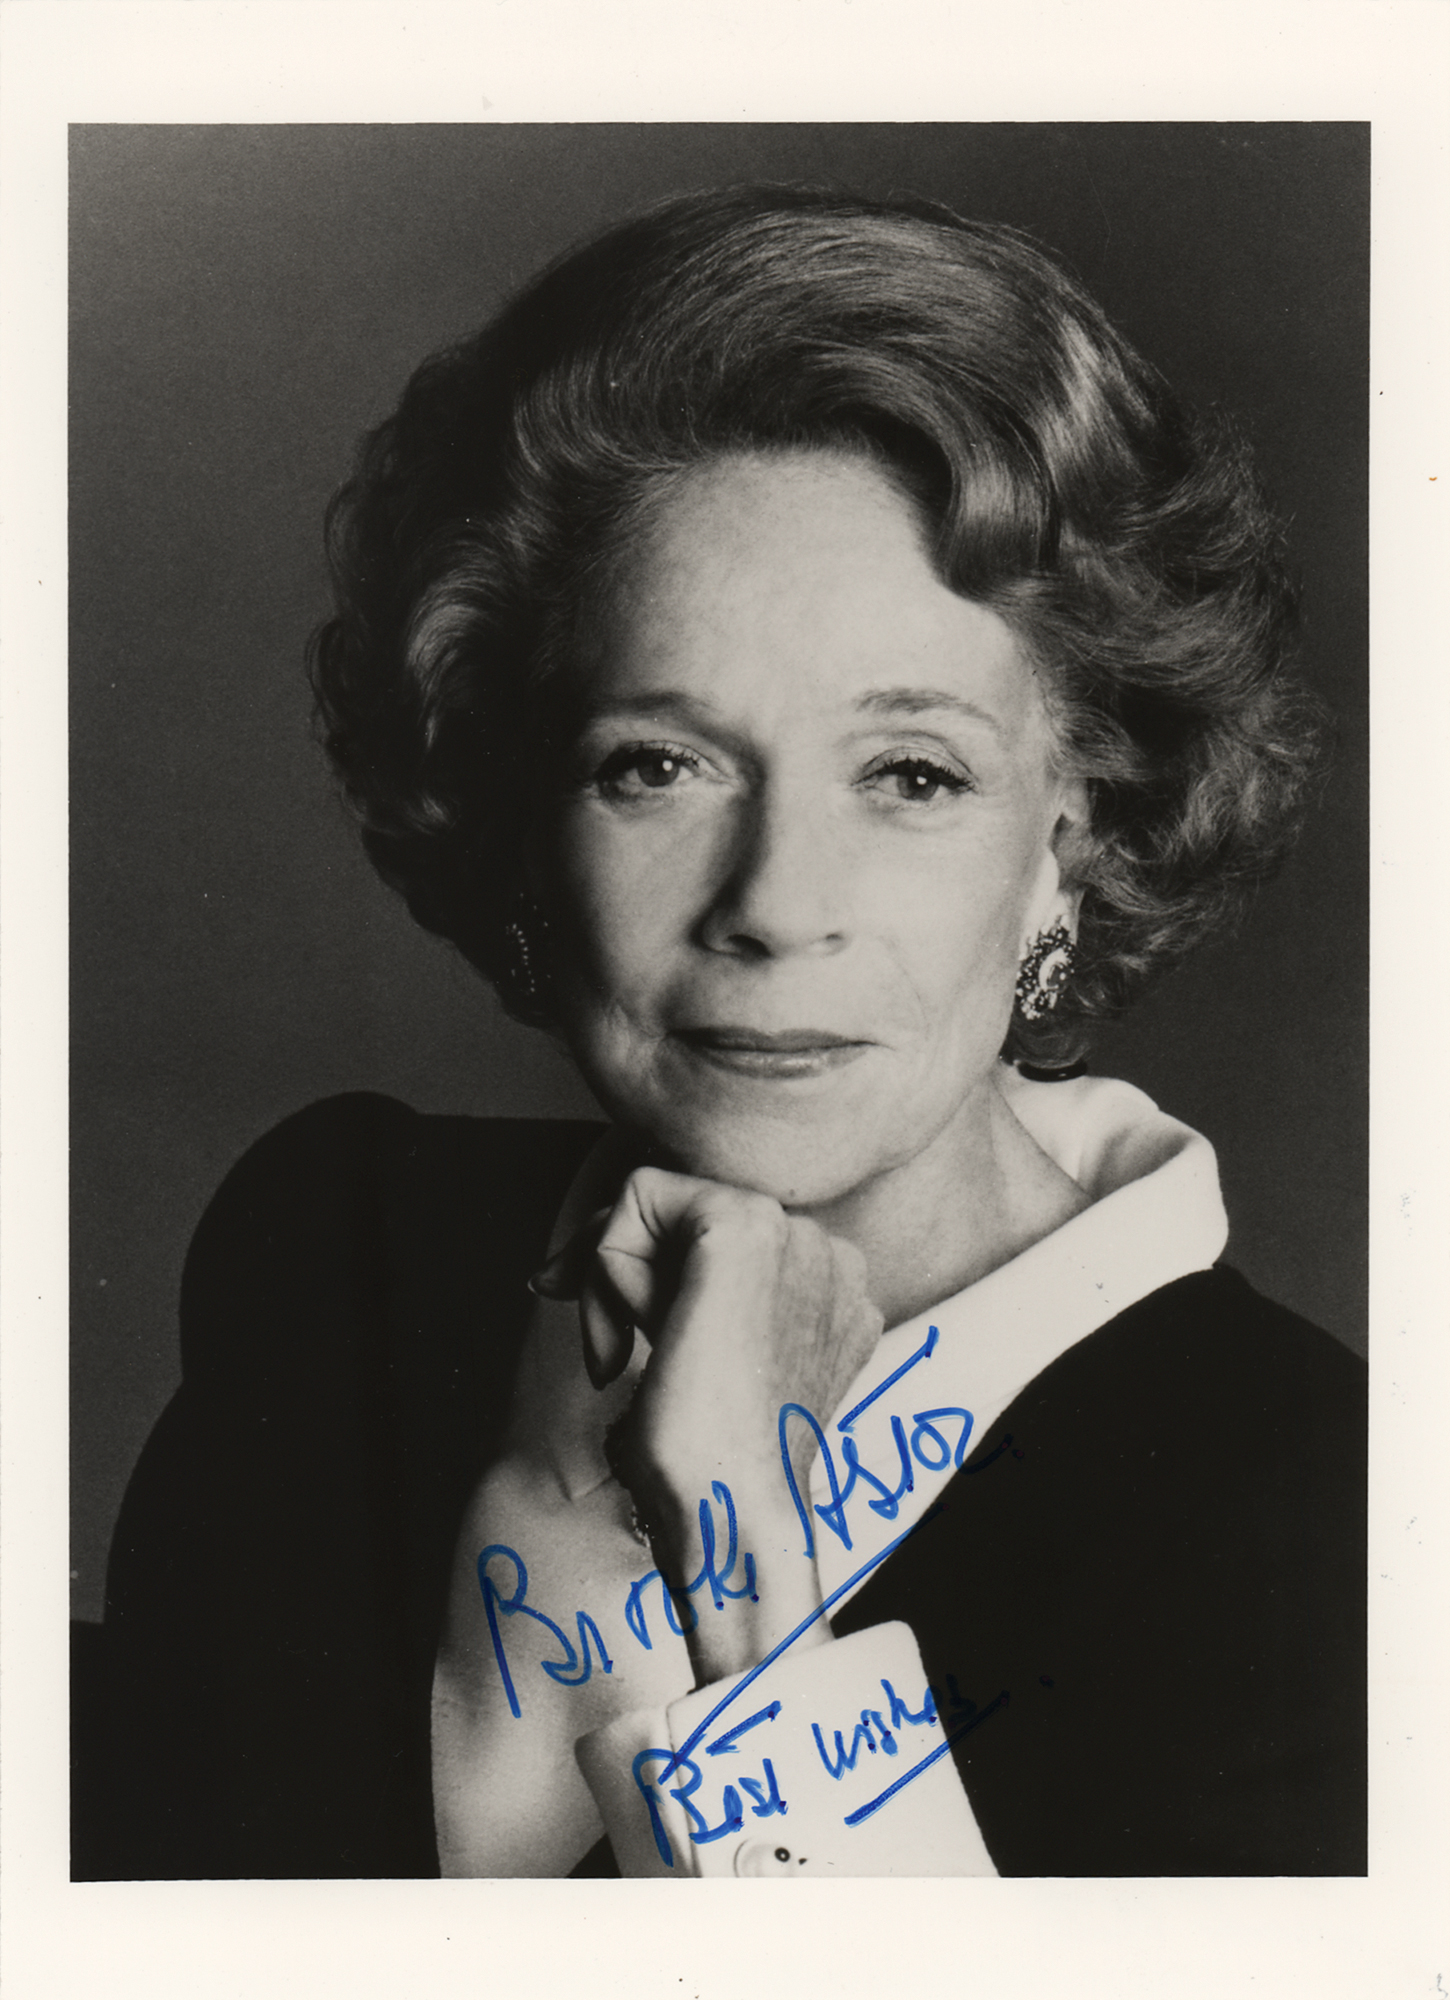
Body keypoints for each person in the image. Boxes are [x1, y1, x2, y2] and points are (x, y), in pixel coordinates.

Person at [97, 185, 1364, 1879]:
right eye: (657, 765)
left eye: (909, 774)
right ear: (523, 826)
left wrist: (752, 1590)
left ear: (1070, 848)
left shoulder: (1321, 1513)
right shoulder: (344, 1262)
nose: (773, 902)